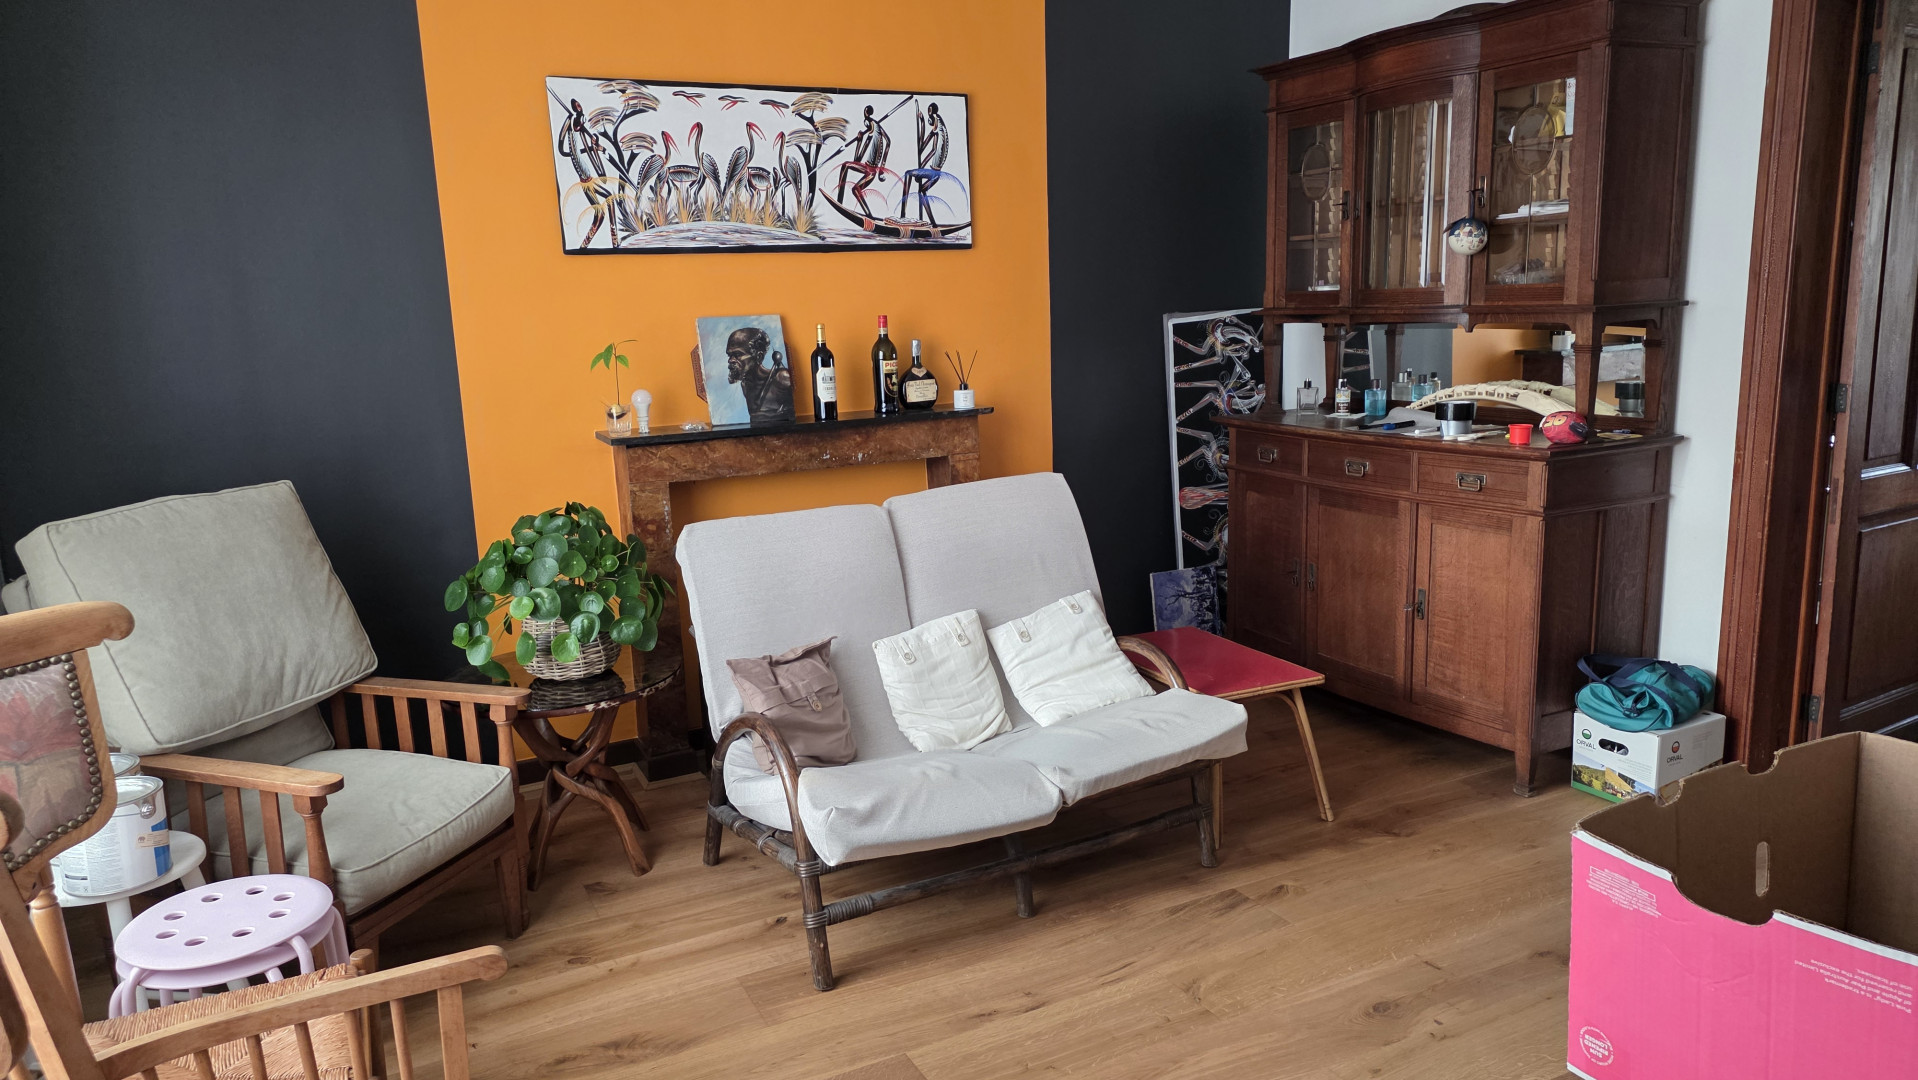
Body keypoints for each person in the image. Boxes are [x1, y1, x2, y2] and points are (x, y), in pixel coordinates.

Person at [725, 327, 793, 424]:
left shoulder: (781, 378)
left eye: (737, 354)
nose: (730, 360)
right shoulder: (745, 385)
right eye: (730, 355)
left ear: (759, 356)